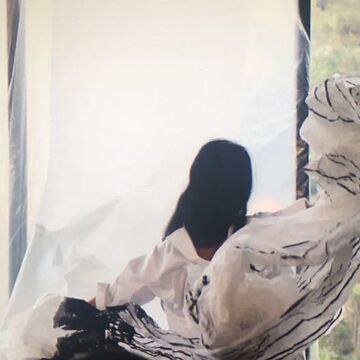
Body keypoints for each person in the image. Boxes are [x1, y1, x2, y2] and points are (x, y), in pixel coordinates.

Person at [90, 139, 253, 338]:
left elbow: (109, 300)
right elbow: (109, 300)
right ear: (241, 194)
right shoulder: (256, 242)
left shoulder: (168, 256)